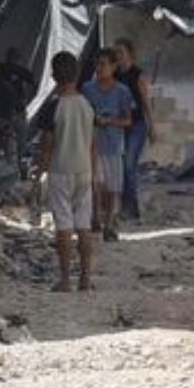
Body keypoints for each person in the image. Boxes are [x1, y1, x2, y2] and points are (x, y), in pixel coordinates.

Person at [35, 51, 97, 292]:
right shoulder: (87, 105)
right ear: (77, 74)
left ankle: (64, 279)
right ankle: (85, 277)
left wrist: (38, 171)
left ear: (53, 75)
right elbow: (93, 143)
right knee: (83, 224)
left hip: (60, 170)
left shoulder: (53, 108)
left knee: (63, 224)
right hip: (84, 169)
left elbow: (47, 145)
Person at [81, 49, 134, 243]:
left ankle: (109, 224)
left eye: (103, 64)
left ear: (113, 66)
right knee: (95, 185)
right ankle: (95, 217)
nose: (99, 68)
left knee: (113, 187)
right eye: (97, 64)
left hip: (113, 144)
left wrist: (110, 121)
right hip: (92, 144)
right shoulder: (87, 89)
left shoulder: (122, 91)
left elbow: (128, 120)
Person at [112, 38, 156, 221]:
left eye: (121, 52)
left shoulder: (137, 75)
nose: (118, 56)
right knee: (121, 167)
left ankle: (131, 208)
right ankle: (127, 207)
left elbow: (146, 103)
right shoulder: (113, 76)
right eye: (116, 52)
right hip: (120, 125)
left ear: (130, 54)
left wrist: (152, 127)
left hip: (137, 125)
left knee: (129, 164)